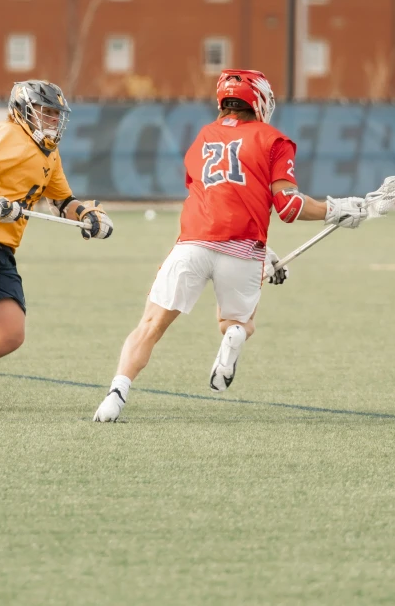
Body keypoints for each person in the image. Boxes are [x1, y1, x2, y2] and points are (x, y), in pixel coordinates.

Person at [94, 68, 367, 423]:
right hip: (241, 251)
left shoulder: (203, 137)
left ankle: (115, 396)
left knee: (149, 326)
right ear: (262, 100)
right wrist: (337, 209)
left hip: (193, 244)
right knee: (238, 323)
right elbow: (289, 207)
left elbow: (216, 197)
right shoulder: (274, 140)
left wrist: (265, 251)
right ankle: (236, 334)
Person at [0, 79, 113, 370]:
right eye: (45, 111)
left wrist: (88, 215)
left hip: (2, 247)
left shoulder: (49, 152)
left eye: (55, 114)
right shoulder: (8, 135)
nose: (52, 119)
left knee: (9, 333)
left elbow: (62, 202)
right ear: (24, 109)